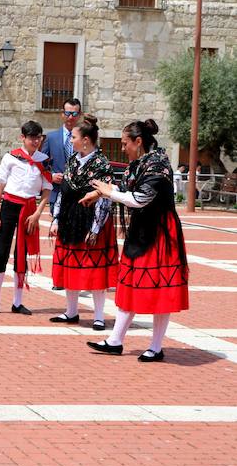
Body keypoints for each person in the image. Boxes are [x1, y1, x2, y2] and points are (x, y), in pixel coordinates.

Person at [85, 119, 189, 362]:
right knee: (130, 283)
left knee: (160, 289)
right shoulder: (137, 164)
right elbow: (123, 187)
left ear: (138, 141)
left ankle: (156, 346)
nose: (123, 148)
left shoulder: (158, 164)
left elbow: (139, 199)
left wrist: (109, 192)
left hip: (160, 234)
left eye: (125, 144)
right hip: (141, 231)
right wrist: (98, 193)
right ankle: (115, 340)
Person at [47, 115, 118, 329]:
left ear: (86, 140)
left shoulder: (101, 164)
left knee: (93, 268)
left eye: (74, 137)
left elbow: (104, 199)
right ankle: (71, 311)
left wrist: (95, 228)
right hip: (69, 218)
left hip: (91, 221)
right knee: (70, 266)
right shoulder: (72, 161)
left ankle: (98, 316)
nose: (71, 141)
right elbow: (63, 192)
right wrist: (56, 219)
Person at [0, 121, 53, 316]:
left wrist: (38, 213)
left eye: (39, 137)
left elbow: (47, 189)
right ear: (22, 137)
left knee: (21, 254)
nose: (36, 141)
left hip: (30, 208)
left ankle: (17, 301)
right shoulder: (11, 157)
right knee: (2, 252)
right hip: (9, 206)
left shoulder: (44, 159)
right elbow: (0, 186)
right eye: (32, 137)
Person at [41, 98, 82, 209]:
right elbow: (41, 164)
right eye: (67, 113)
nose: (70, 117)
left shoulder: (85, 139)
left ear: (79, 115)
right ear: (62, 114)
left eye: (74, 113)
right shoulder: (51, 137)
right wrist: (51, 176)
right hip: (56, 192)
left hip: (79, 195)